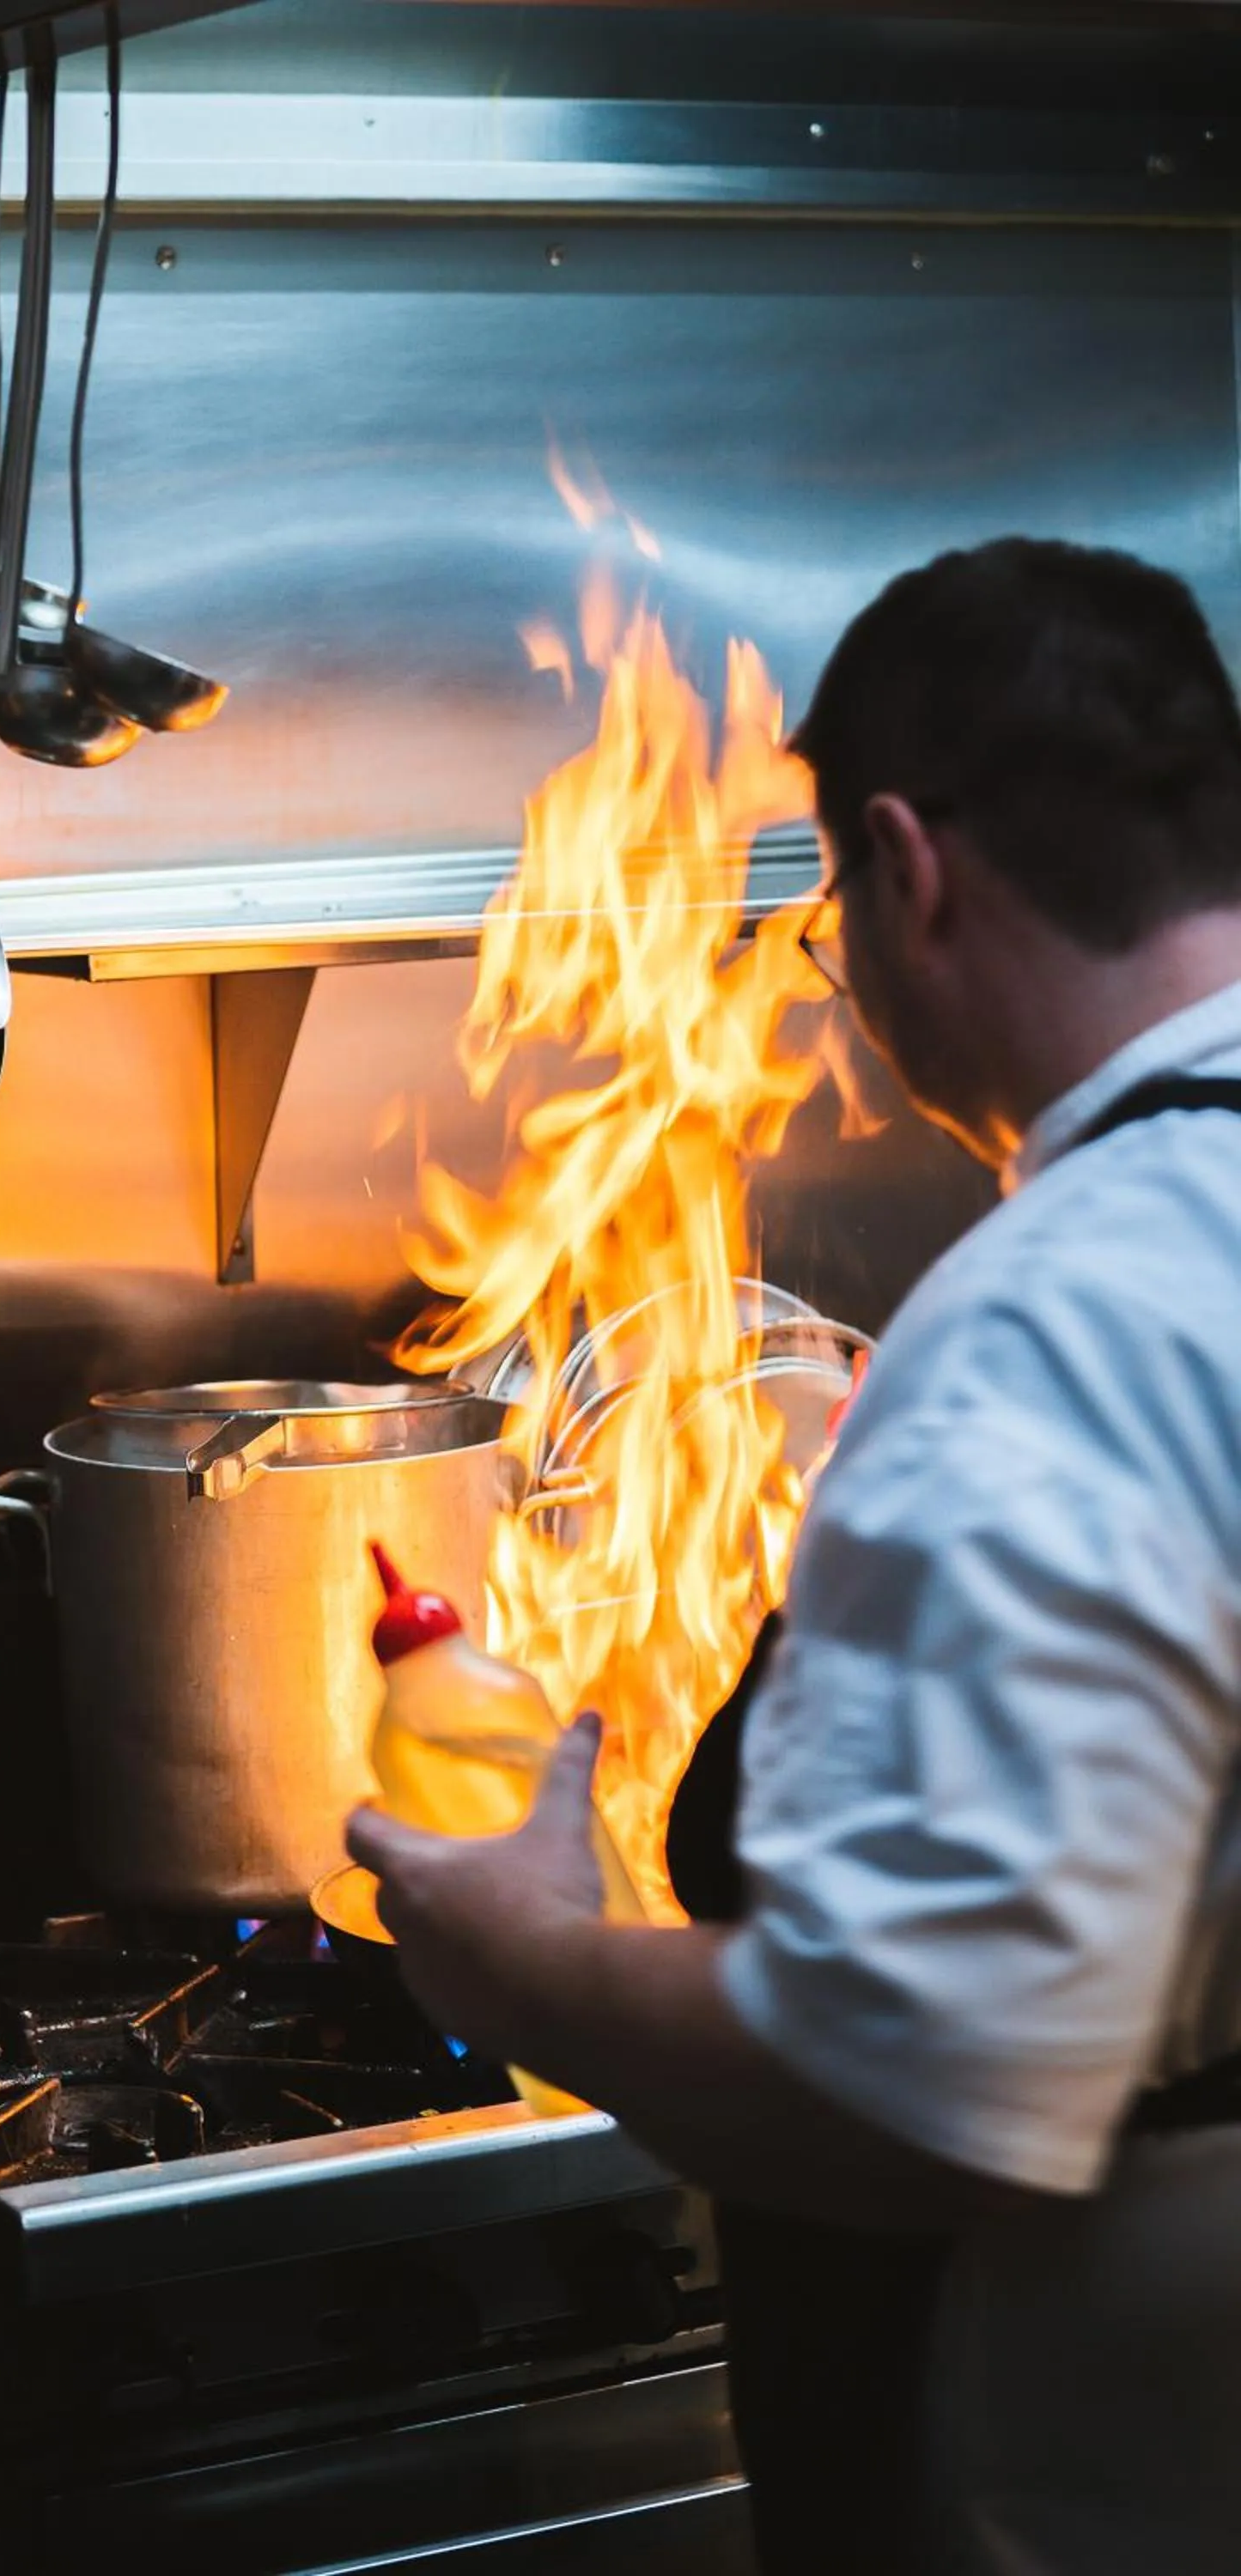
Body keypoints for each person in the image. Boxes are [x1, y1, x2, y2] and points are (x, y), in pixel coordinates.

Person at [347, 537, 1241, 2576]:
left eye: (828, 908)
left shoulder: (1056, 1327)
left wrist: (525, 1962)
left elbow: (913, 2092)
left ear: (908, 869)